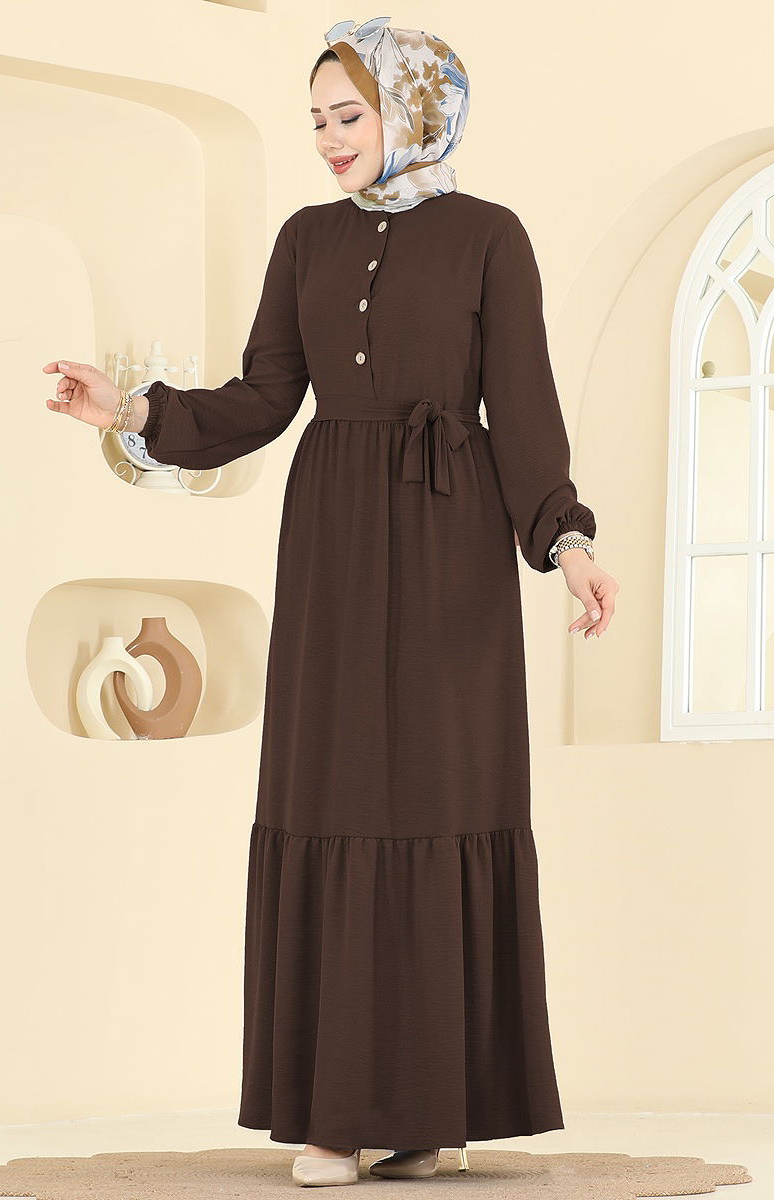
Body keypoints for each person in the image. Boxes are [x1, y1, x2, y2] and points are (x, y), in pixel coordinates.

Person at [43, 15, 619, 1189]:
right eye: (314, 119)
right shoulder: (304, 240)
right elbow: (262, 399)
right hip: (335, 546)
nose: (326, 138)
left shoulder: (490, 237)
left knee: (440, 794)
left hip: (451, 544)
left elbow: (522, 405)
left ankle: (427, 1110)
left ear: (413, 109)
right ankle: (337, 1114)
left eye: (346, 114)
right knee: (338, 788)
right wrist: (133, 411)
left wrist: (566, 544)